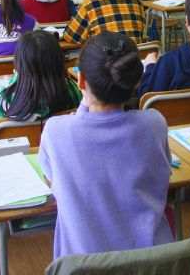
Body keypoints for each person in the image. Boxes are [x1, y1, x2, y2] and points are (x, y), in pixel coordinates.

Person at [38, 31, 173, 258]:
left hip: (83, 267)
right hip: (151, 263)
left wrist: (85, 103)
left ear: (80, 81)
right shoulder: (154, 123)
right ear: (134, 81)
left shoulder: (55, 131)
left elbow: (51, 181)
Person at [0, 31, 81, 121]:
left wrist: (16, 76)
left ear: (19, 62)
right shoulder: (73, 91)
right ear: (59, 60)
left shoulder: (3, 99)